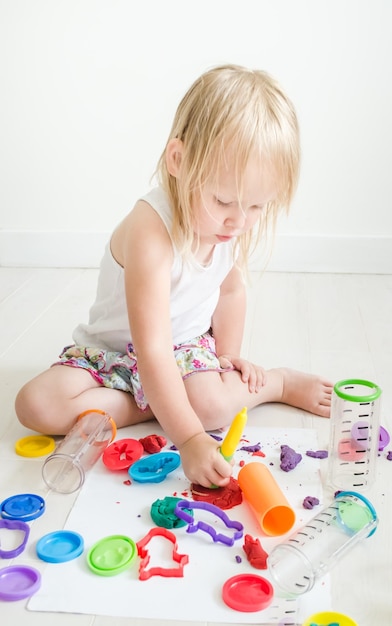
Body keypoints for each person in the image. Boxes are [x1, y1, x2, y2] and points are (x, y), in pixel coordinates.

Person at [15, 64, 332, 488]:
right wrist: (188, 437)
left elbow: (231, 289)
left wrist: (225, 358)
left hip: (180, 352)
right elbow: (151, 349)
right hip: (113, 355)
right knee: (34, 405)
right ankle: (162, 405)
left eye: (258, 206)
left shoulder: (227, 224)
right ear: (179, 161)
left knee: (214, 403)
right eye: (224, 200)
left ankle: (278, 383)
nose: (239, 220)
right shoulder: (151, 230)